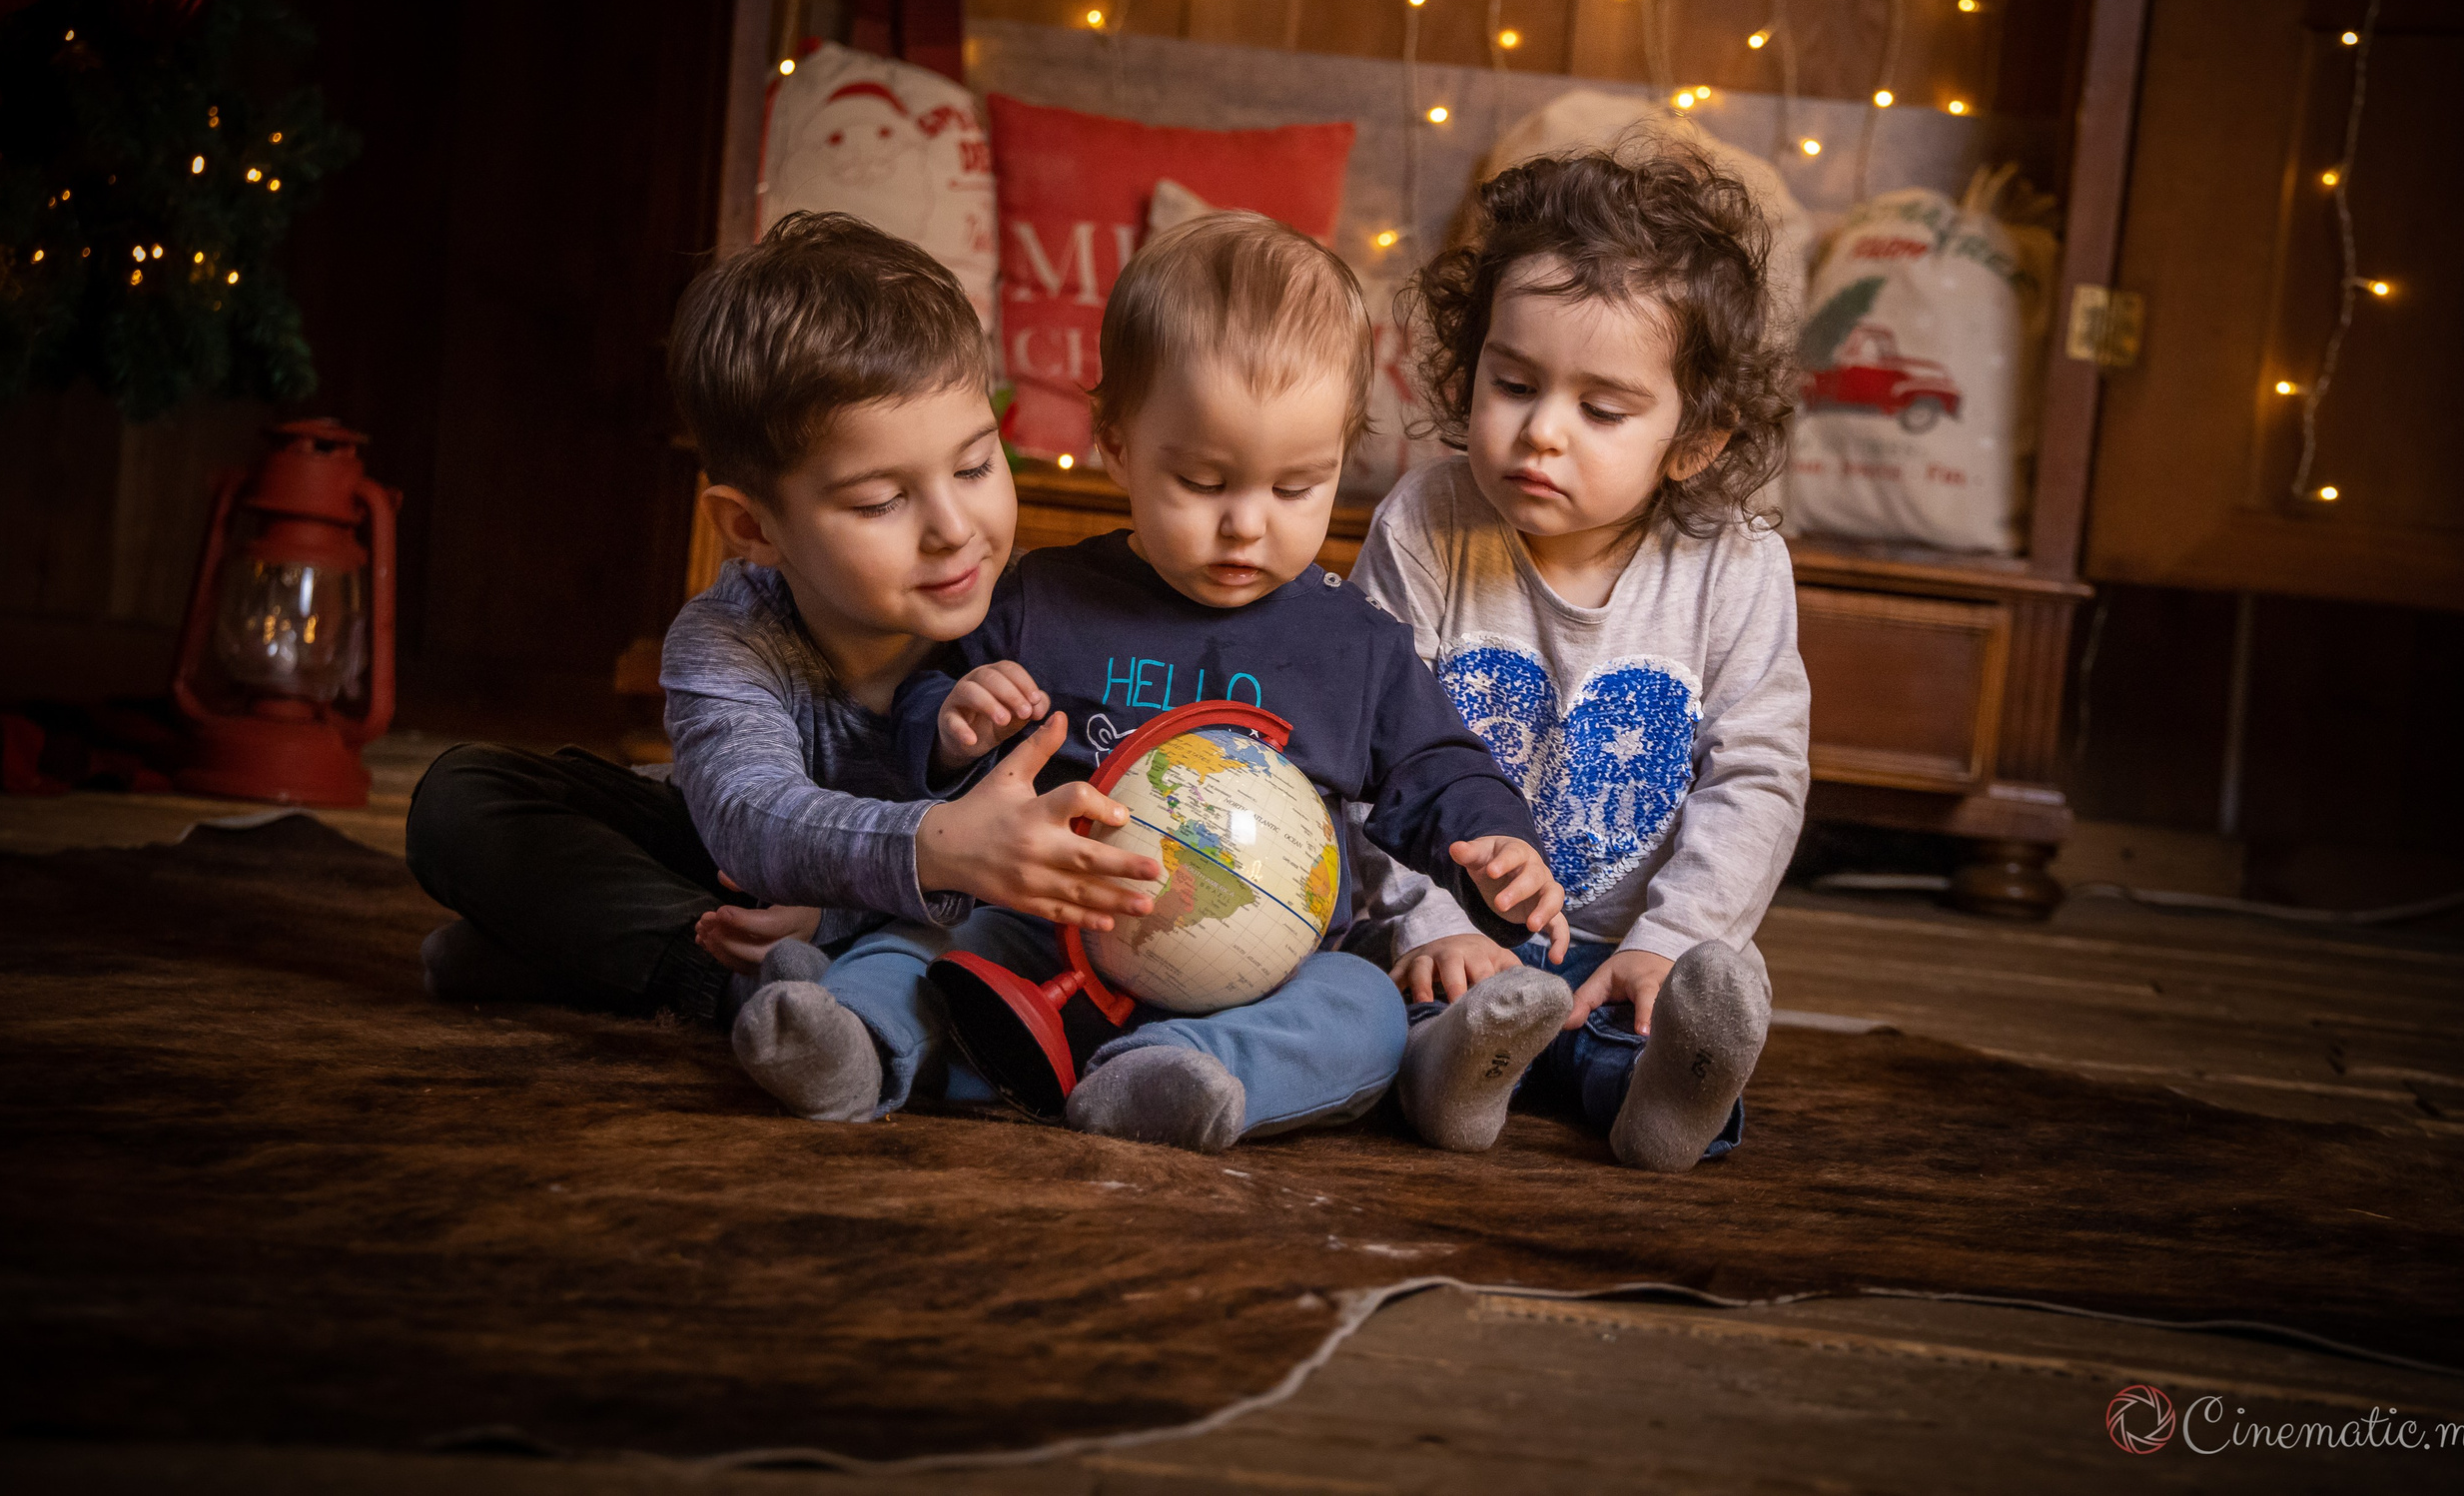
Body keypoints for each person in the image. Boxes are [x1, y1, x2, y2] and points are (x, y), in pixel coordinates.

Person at [759, 210, 1571, 1155]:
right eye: (1203, 483)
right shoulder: (1043, 600)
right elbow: (916, 715)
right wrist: (951, 724)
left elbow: (1438, 766)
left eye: (1295, 487)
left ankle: (1179, 1074)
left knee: (1364, 1010)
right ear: (1116, 442)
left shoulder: (1356, 645)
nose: (1247, 525)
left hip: (1263, 975)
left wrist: (1497, 843)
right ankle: (852, 1035)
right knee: (923, 943)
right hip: (1043, 934)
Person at [404, 212, 1165, 1122]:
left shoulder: (1035, 616)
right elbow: (747, 823)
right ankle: (727, 982)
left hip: (950, 910)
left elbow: (1043, 853)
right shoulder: (728, 639)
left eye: (973, 466)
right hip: (750, 870)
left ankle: (596, 958)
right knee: (461, 797)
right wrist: (929, 850)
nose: (954, 529)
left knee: (999, 910)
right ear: (753, 527)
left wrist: (842, 913)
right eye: (880, 501)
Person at [1350, 144, 1810, 1172]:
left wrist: (1671, 940)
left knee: (1644, 1026)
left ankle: (1657, 1102)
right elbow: (1361, 746)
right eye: (1513, 383)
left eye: (1601, 410)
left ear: (1694, 440)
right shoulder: (1426, 524)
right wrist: (1428, 921)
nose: (1541, 432)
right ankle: (1451, 1074)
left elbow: (1757, 775)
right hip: (1456, 930)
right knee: (1399, 1010)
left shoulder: (1735, 565)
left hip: (1625, 941)